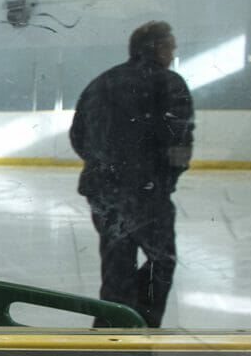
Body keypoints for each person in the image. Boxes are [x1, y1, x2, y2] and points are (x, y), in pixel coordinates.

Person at [68, 20, 194, 328]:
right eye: (170, 48)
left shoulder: (102, 82)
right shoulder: (169, 83)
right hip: (148, 192)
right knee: (161, 263)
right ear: (159, 49)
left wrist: (105, 168)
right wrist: (166, 181)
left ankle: (111, 330)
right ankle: (141, 326)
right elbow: (180, 140)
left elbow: (78, 135)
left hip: (104, 193)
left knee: (116, 267)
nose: (172, 54)